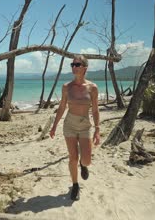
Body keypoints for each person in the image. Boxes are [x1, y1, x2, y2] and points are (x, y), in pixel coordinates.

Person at [49, 54, 101, 201]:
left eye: (77, 65)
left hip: (85, 125)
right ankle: (75, 184)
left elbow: (96, 110)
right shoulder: (67, 87)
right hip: (70, 125)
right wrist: (54, 126)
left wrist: (97, 129)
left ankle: (83, 166)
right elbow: (61, 107)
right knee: (73, 157)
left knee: (86, 160)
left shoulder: (92, 88)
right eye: (72, 65)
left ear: (84, 68)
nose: (74, 67)